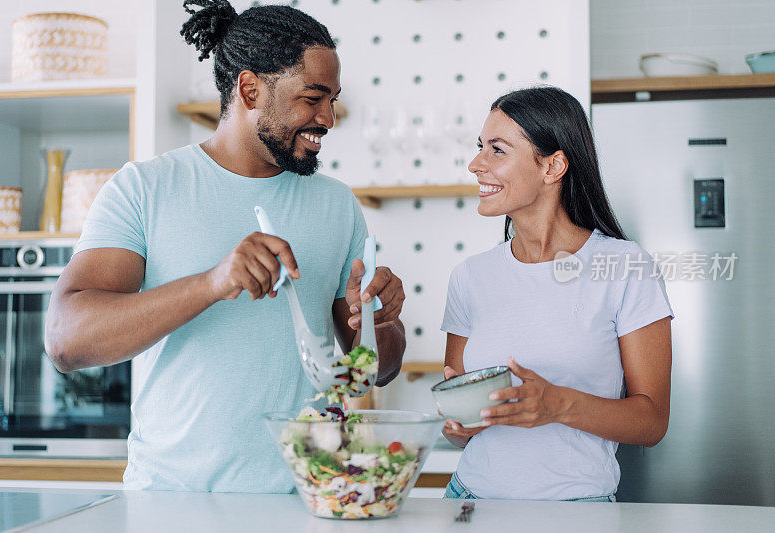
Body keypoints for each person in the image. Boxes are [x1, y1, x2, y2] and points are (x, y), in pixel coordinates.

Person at [44, 1, 407, 492]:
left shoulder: (336, 204)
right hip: (172, 506)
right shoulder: (145, 188)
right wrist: (211, 283)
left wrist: (383, 324)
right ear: (249, 89)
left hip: (306, 499)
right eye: (313, 98)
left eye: (333, 100)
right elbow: (66, 341)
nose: (329, 119)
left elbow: (375, 372)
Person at [440, 86, 673, 502]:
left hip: (577, 510)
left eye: (497, 150)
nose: (475, 164)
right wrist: (460, 426)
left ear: (552, 166)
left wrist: (557, 404)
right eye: (480, 147)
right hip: (469, 501)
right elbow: (462, 429)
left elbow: (652, 422)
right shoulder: (470, 277)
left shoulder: (625, 267)